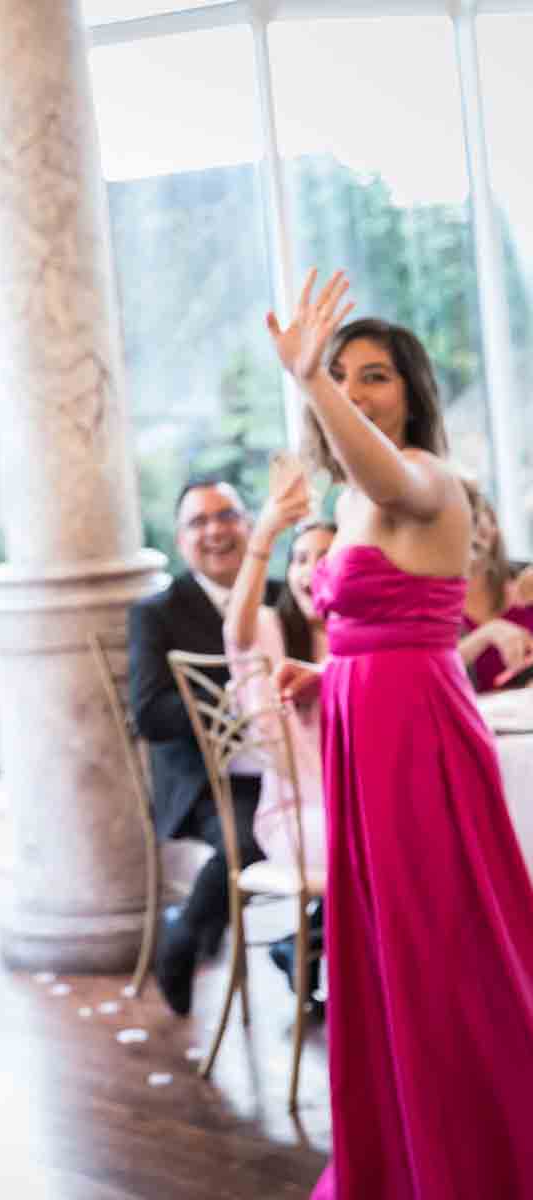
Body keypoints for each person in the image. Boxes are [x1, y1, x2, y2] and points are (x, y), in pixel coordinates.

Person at [266, 275, 533, 1197]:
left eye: (374, 375)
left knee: (441, 952)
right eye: (344, 373)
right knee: (383, 954)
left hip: (417, 738)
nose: (356, 387)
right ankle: (402, 1153)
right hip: (363, 726)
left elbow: (383, 474)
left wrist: (310, 380)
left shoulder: (428, 477)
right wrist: (326, 672)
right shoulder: (345, 507)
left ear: (411, 392)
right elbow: (366, 625)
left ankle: (475, 1158)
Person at [127, 476, 278, 1015]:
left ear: (250, 524)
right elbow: (148, 713)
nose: (216, 530)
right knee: (261, 832)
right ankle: (187, 933)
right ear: (180, 539)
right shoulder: (158, 613)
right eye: (199, 521)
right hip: (202, 779)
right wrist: (237, 704)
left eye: (227, 516)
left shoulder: (281, 594)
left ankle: (300, 947)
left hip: (285, 766)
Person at [222, 459, 335, 998]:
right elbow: (236, 631)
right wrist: (264, 534)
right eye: (302, 559)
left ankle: (308, 944)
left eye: (328, 559)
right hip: (296, 815)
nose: (312, 570)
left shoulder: (362, 642)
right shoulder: (270, 631)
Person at [457, 481, 533, 692]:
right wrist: (486, 634)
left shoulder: (526, 580)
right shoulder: (426, 605)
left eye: (472, 517)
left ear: (492, 523)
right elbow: (429, 669)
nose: (465, 532)